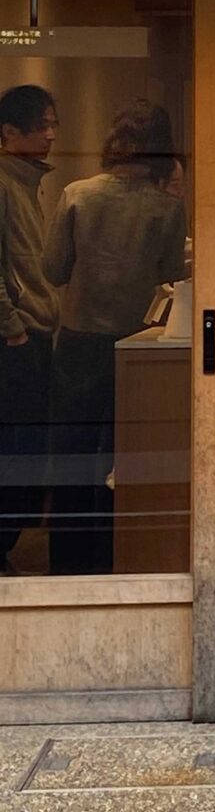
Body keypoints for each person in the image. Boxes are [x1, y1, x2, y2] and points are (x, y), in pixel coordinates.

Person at [43, 100, 186, 574]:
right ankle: (117, 559)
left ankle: (67, 565)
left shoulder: (77, 194)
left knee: (72, 457)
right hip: (136, 345)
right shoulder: (168, 208)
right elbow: (170, 275)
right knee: (128, 458)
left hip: (78, 341)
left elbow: (53, 269)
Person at [0, 85, 59, 574]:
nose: (51, 134)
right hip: (15, 338)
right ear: (9, 132)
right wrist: (13, 328)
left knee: (29, 453)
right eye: (42, 125)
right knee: (18, 453)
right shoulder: (4, 183)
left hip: (33, 331)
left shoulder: (26, 182)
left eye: (53, 124)